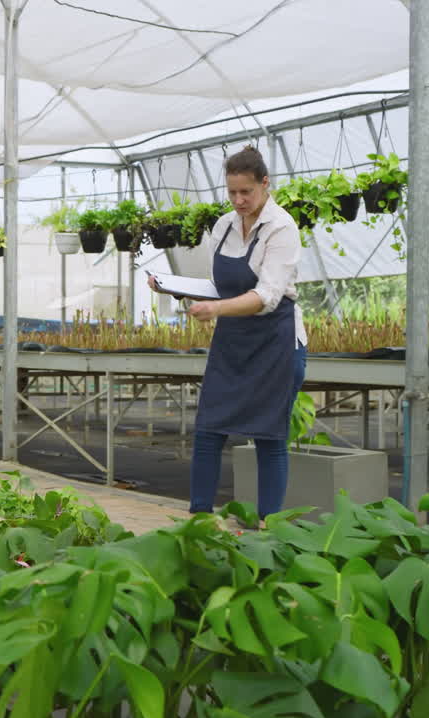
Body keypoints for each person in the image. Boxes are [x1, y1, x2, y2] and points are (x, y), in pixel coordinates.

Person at [150, 145, 306, 523]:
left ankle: (270, 527)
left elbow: (267, 296)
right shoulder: (223, 226)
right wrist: (175, 287)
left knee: (270, 437)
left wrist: (216, 309)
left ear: (264, 184)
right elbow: (221, 284)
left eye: (246, 192)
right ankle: (200, 519)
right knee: (209, 429)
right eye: (232, 192)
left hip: (275, 342)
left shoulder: (282, 228)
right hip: (233, 342)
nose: (238, 200)